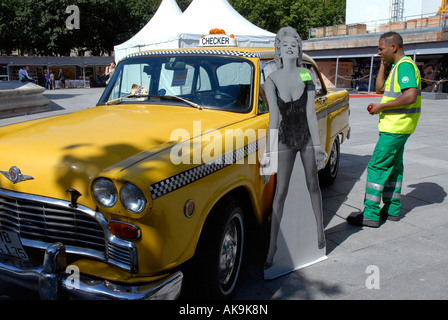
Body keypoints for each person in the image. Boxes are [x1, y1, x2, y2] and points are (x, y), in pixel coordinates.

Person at [261, 26, 327, 268]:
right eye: (285, 44)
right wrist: (268, 153)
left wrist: (318, 145)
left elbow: (311, 111)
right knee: (280, 191)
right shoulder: (271, 80)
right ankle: (272, 247)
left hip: (307, 137)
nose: (290, 48)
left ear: (299, 49)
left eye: (294, 44)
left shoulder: (306, 75)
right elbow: (273, 118)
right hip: (285, 138)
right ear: (278, 49)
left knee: (313, 184)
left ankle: (319, 232)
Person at [347, 32, 421, 228]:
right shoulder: (396, 66)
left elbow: (410, 96)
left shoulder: (404, 66)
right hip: (399, 127)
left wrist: (381, 107)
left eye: (381, 49)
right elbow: (380, 89)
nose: (379, 52)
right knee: (394, 168)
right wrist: (383, 63)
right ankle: (391, 209)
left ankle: (370, 214)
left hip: (395, 128)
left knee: (376, 167)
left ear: (393, 47)